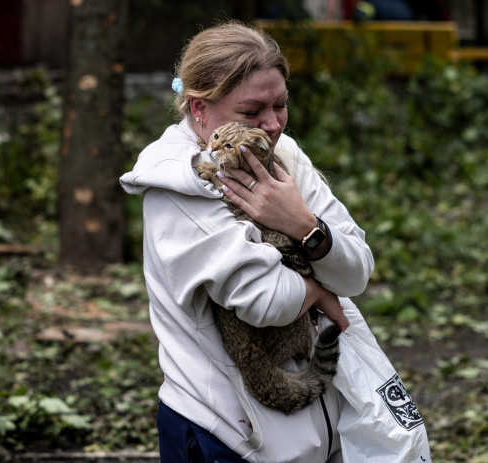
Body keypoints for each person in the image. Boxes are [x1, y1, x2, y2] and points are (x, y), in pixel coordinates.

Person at [119, 21, 374, 462]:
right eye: (252, 111)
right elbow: (268, 300)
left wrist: (302, 225)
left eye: (280, 105)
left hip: (312, 434)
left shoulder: (285, 154)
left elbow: (357, 270)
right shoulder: (177, 188)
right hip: (228, 437)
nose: (272, 125)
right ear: (199, 108)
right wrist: (320, 289)